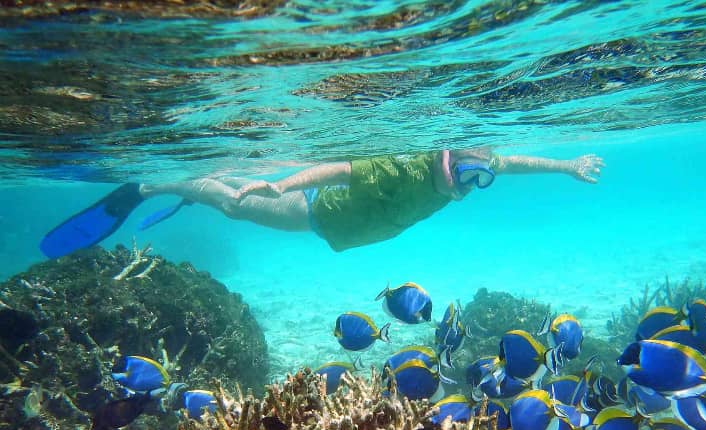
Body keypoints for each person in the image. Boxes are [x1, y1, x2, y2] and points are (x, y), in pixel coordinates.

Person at [39, 148, 604, 257]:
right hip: (314, 212)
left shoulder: (472, 164)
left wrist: (567, 167)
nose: (465, 187)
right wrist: (283, 186)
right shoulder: (408, 168)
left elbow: (518, 162)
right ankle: (156, 186)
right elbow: (339, 168)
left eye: (477, 181)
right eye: (463, 177)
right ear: (445, 165)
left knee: (237, 204)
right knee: (236, 205)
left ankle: (194, 184)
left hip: (334, 223)